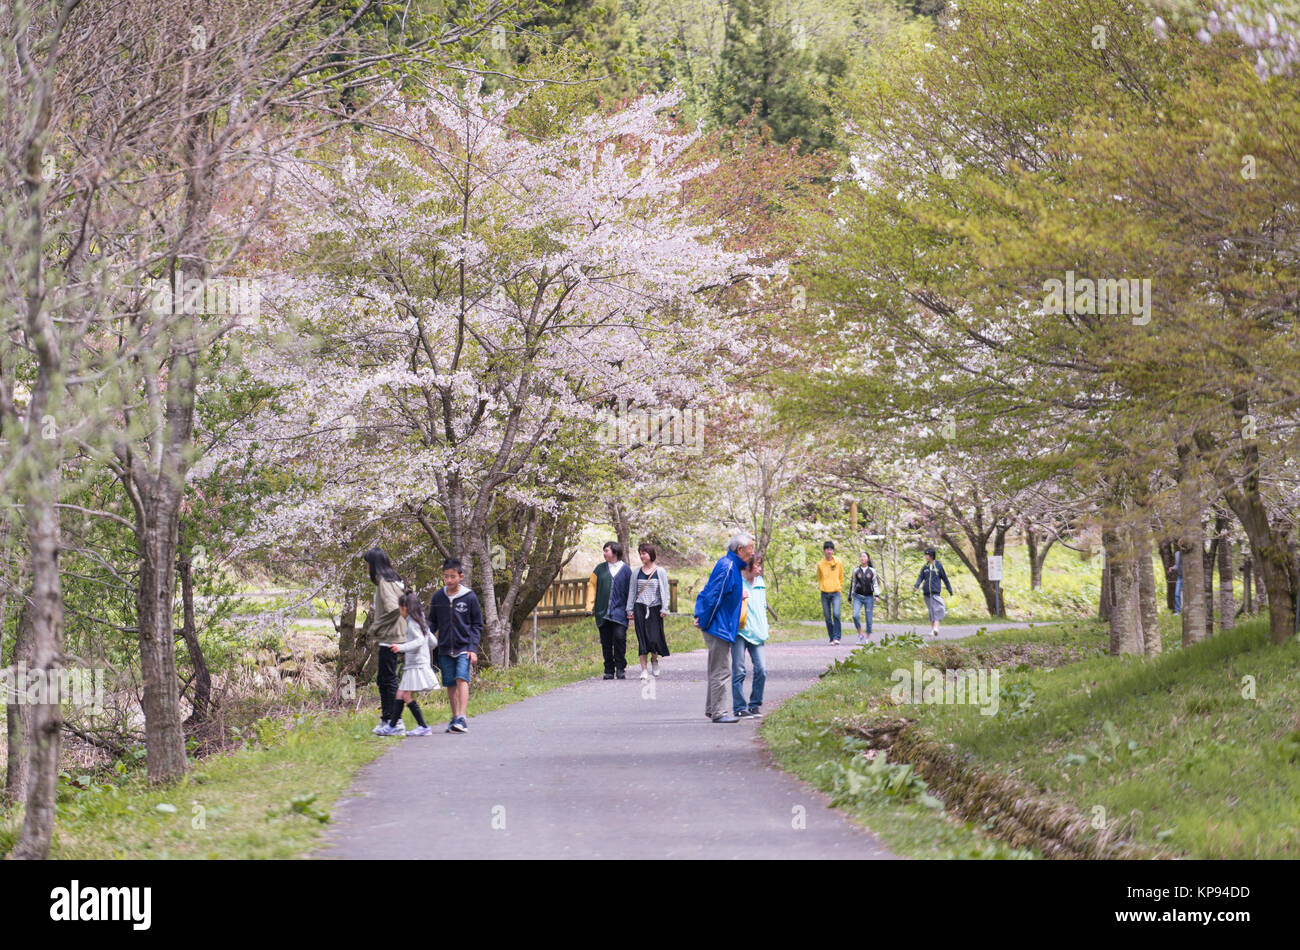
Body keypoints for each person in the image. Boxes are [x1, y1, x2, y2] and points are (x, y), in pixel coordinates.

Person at [694, 531, 752, 723]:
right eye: (750, 548)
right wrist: (703, 619)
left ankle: (712, 709)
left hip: (721, 624)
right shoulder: (727, 567)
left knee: (716, 668)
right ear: (740, 549)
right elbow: (714, 596)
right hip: (718, 625)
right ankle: (719, 712)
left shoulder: (731, 566)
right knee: (722, 670)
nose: (752, 553)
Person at [428, 558, 483, 734]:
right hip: (444, 647)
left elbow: (477, 624)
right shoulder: (438, 596)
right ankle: (454, 717)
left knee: (462, 678)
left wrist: (473, 648)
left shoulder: (469, 597)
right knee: (450, 683)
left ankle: (462, 717)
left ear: (461, 576)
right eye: (445, 577)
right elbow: (432, 622)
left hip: (464, 647)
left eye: (452, 576)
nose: (449, 580)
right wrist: (425, 638)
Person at [381, 590, 440, 736]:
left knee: (405, 695)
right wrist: (424, 652)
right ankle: (393, 726)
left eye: (399, 607)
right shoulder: (421, 622)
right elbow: (433, 642)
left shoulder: (413, 623)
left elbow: (419, 641)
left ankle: (423, 726)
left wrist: (401, 647)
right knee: (401, 694)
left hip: (416, 666)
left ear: (405, 607)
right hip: (418, 664)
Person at [363, 548, 406, 736]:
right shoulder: (393, 581)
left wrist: (375, 627)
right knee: (383, 679)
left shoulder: (384, 583)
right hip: (389, 636)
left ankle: (395, 722)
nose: (366, 567)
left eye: (367, 563)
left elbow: (392, 609)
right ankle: (387, 718)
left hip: (389, 637)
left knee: (388, 680)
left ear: (374, 564)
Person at [625, 542, 671, 680]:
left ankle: (654, 660)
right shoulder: (636, 572)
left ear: (650, 554)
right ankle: (644, 669)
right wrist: (629, 610)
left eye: (644, 553)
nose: (641, 556)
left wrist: (664, 608)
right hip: (640, 607)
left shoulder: (660, 571)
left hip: (655, 608)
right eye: (640, 553)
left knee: (654, 639)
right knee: (642, 639)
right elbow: (632, 591)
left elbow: (665, 591)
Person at [586, 541, 631, 679]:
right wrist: (589, 607)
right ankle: (609, 670)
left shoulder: (626, 570)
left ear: (615, 552)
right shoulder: (599, 569)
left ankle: (620, 667)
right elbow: (592, 587)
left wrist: (631, 609)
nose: (604, 553)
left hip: (620, 612)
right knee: (606, 642)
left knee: (619, 638)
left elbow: (631, 591)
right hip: (602, 612)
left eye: (606, 550)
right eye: (604, 551)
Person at [731, 555, 769, 718]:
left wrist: (765, 626)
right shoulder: (737, 581)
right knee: (739, 670)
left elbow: (762, 606)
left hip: (757, 631)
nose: (760, 569)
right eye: (757, 566)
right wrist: (738, 597)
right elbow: (727, 604)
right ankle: (739, 707)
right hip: (740, 631)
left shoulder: (760, 582)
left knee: (762, 669)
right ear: (748, 567)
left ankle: (754, 705)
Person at [914, 547, 954, 637]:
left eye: (927, 555)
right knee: (931, 611)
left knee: (939, 609)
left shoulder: (938, 566)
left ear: (931, 556)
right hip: (927, 593)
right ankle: (933, 630)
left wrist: (949, 589)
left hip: (935, 593)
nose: (925, 556)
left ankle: (936, 628)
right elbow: (920, 577)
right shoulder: (925, 567)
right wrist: (916, 586)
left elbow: (945, 578)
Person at [850, 552, 881, 645]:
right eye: (861, 556)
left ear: (868, 559)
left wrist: (877, 595)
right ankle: (860, 634)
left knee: (869, 618)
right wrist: (850, 596)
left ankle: (867, 637)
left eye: (864, 556)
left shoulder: (872, 571)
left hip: (869, 597)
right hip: (857, 596)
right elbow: (853, 583)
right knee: (855, 615)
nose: (862, 558)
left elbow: (875, 583)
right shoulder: (856, 570)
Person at [817, 540, 844, 644]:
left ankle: (837, 637)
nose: (829, 551)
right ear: (824, 551)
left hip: (836, 592)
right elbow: (819, 577)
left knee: (836, 614)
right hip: (824, 593)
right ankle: (832, 637)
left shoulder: (838, 562)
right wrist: (821, 586)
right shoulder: (820, 564)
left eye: (831, 549)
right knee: (828, 617)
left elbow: (841, 576)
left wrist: (839, 588)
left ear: (833, 551)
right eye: (827, 549)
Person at [1170, 549, 1183, 614]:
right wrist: (1172, 568)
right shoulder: (1177, 554)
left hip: (1188, 576)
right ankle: (1178, 611)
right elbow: (1177, 565)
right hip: (1180, 577)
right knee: (1177, 594)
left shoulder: (1189, 553)